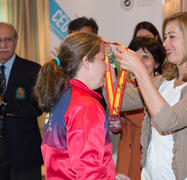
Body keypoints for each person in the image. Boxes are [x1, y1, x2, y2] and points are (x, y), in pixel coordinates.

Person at [114, 11, 187, 180]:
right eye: (165, 37)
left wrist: (139, 70)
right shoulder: (164, 81)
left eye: (171, 37)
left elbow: (168, 121)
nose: (165, 43)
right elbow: (120, 102)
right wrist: (105, 67)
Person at [34, 32, 130, 180]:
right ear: (86, 62)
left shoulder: (61, 96)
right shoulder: (86, 106)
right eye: (102, 59)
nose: (106, 68)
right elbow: (89, 171)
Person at [115, 37, 165, 180]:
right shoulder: (126, 85)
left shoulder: (163, 88)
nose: (139, 62)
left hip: (148, 164)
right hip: (124, 165)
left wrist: (121, 106)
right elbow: (118, 129)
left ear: (157, 63)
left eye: (145, 57)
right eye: (135, 58)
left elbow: (147, 121)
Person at [0, 22, 43, 180]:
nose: (3, 45)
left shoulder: (33, 69)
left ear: (16, 41)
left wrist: (4, 104)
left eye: (8, 39)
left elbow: (37, 107)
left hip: (24, 155)